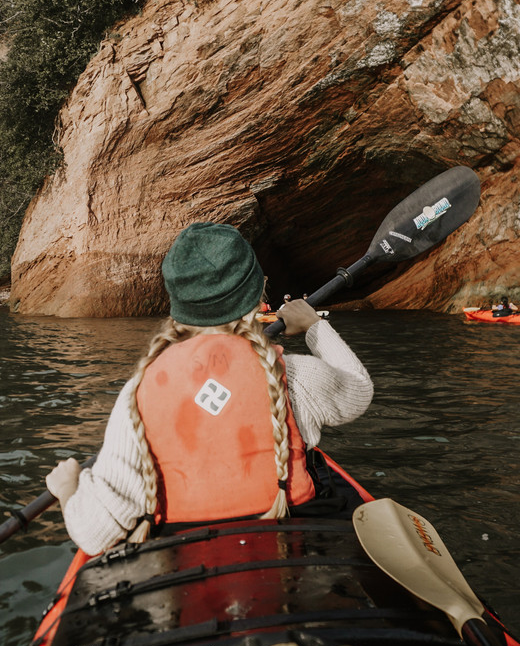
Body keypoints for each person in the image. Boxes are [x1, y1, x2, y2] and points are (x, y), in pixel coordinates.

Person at [46, 222, 374, 556]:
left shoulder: (137, 393)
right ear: (256, 294)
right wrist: (315, 327)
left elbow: (94, 536)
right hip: (291, 548)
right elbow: (359, 391)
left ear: (179, 302)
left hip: (184, 563)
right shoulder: (295, 375)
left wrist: (70, 488)